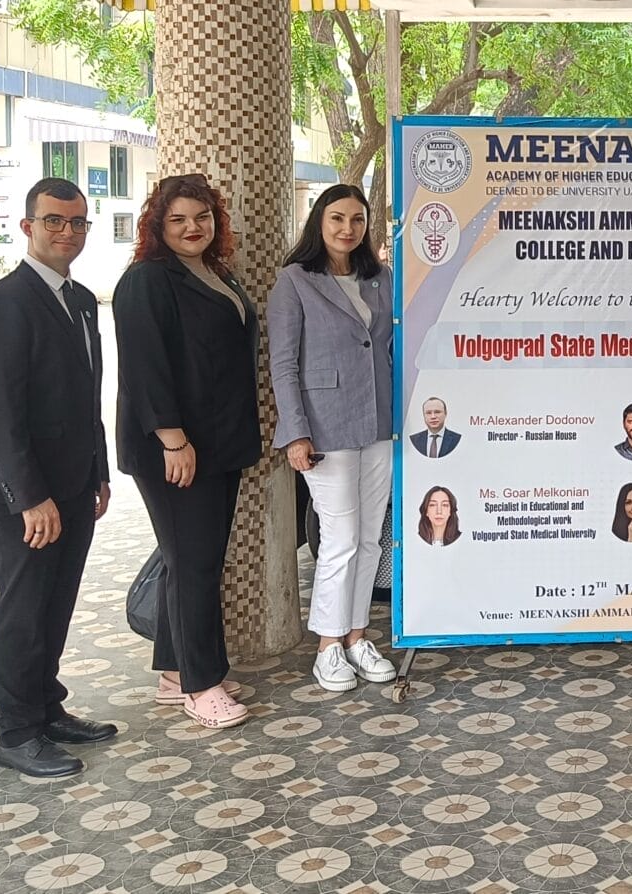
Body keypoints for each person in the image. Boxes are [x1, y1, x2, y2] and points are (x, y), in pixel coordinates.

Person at [0, 177, 118, 780]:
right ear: (28, 227)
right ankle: (17, 732)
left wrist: (97, 470)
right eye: (54, 221)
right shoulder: (4, 303)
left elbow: (86, 394)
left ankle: (46, 708)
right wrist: (29, 497)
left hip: (74, 484)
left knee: (56, 603)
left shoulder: (80, 300)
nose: (66, 232)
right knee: (22, 610)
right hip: (20, 495)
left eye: (77, 222)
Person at [112, 173, 262, 731]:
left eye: (202, 217)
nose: (192, 228)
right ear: (158, 225)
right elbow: (145, 367)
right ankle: (203, 685)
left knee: (193, 561)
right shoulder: (147, 280)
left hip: (218, 442)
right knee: (194, 564)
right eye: (177, 219)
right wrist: (172, 439)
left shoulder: (215, 272)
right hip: (176, 449)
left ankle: (176, 672)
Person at [268, 185, 399, 693]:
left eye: (357, 220)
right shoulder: (295, 281)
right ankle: (328, 646)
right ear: (319, 222)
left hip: (379, 422)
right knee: (340, 539)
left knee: (369, 539)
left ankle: (357, 637)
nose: (348, 229)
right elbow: (283, 364)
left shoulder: (379, 277)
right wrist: (295, 433)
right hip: (326, 428)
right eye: (338, 218)